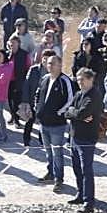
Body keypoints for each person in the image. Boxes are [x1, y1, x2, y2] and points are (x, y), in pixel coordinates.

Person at [33, 54, 75, 192]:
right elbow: (38, 94)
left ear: (60, 65)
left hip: (57, 124)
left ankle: (59, 179)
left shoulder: (65, 81)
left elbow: (70, 99)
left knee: (57, 152)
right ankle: (50, 173)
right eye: (48, 63)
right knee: (48, 152)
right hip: (43, 122)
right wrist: (36, 108)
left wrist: (59, 112)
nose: (49, 66)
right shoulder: (45, 79)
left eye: (52, 63)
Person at [64, 68, 102, 212]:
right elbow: (68, 112)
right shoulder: (79, 94)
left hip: (87, 138)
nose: (80, 83)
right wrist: (76, 113)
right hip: (74, 136)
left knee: (87, 170)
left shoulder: (94, 96)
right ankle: (81, 194)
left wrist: (76, 113)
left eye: (82, 80)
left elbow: (82, 113)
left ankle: (89, 202)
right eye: (78, 80)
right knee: (76, 168)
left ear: (90, 79)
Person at [6, 35, 30, 126]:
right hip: (8, 81)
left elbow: (28, 67)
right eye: (10, 42)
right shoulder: (8, 54)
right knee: (9, 100)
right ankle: (13, 116)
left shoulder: (24, 54)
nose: (12, 44)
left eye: (14, 42)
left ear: (18, 44)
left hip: (19, 81)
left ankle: (16, 120)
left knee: (16, 101)